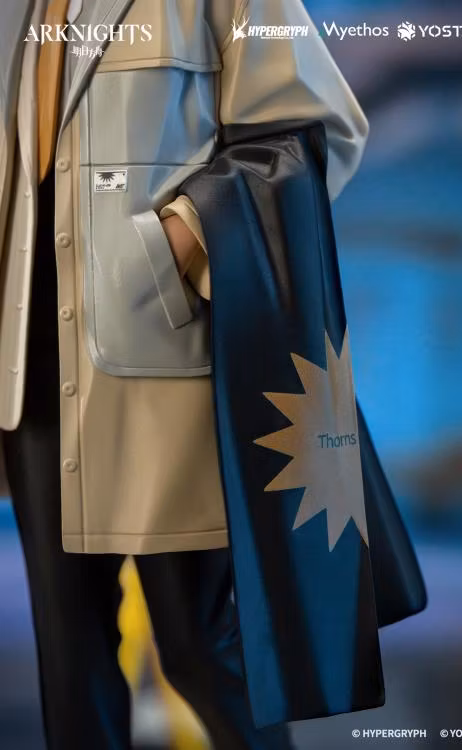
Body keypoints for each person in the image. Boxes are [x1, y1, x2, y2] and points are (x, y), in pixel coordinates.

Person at [0, 0, 371, 748]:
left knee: (200, 646)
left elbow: (316, 131)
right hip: (29, 379)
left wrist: (181, 237)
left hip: (163, 371)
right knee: (69, 665)